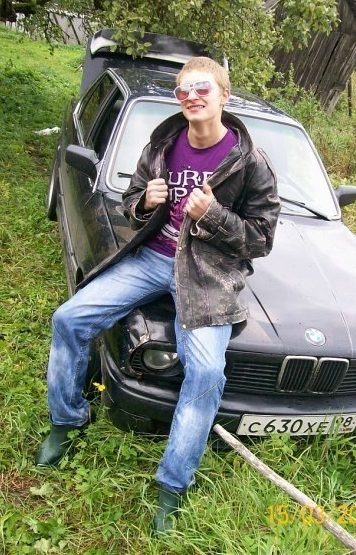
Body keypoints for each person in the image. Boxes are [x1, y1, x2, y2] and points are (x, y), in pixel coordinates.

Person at [35, 56, 281, 532]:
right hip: (151, 259)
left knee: (205, 372)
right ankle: (66, 421)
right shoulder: (162, 145)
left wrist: (212, 216)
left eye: (202, 88)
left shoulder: (251, 163)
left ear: (224, 95)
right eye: (184, 90)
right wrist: (143, 202)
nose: (192, 96)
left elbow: (261, 239)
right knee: (68, 319)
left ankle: (173, 485)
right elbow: (131, 201)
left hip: (207, 275)